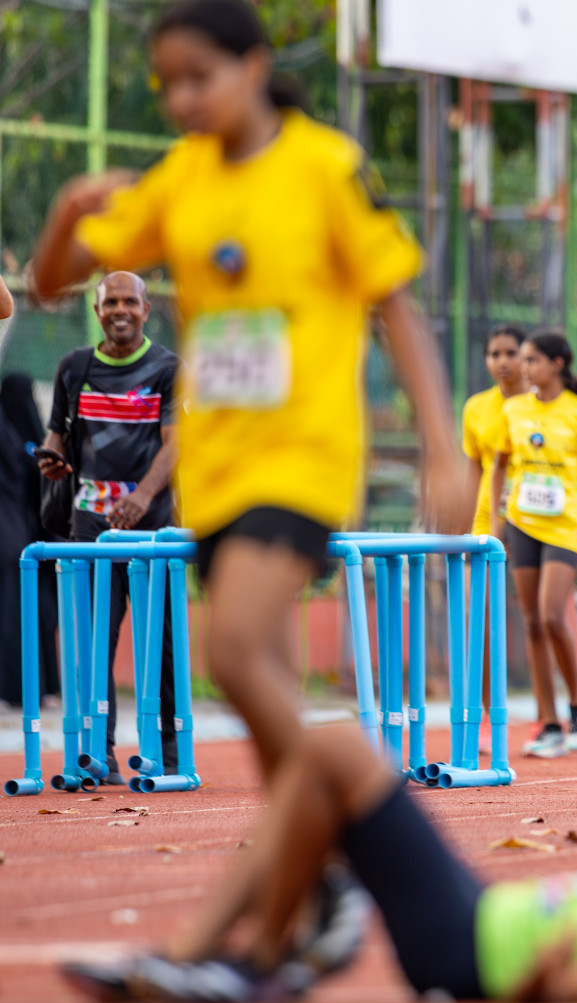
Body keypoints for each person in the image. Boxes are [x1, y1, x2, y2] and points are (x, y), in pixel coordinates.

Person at [29, 0, 476, 783]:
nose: (181, 101)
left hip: (305, 456)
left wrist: (443, 449)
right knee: (261, 685)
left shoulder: (324, 167)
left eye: (199, 78)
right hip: (218, 468)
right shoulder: (182, 180)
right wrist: (70, 206)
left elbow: (397, 311)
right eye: (167, 84)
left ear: (255, 68)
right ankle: (318, 871)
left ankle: (375, 817)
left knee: (230, 650)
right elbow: (48, 283)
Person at [61, 724, 577, 1003]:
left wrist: (552, 981)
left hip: (465, 947)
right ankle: (282, 938)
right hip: (481, 912)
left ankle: (244, 954)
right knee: (324, 765)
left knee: (336, 749)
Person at [34, 272, 180, 781]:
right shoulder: (74, 367)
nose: (120, 310)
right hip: (89, 529)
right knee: (94, 648)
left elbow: (175, 442)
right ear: (97, 311)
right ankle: (101, 755)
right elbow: (57, 433)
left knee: (159, 645)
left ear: (146, 309)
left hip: (153, 533)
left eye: (130, 302)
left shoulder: (166, 368)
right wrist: (51, 458)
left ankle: (170, 751)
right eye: (110, 302)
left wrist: (142, 496)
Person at [488, 332, 577, 758]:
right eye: (522, 360)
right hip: (522, 524)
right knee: (530, 621)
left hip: (565, 527)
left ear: (558, 363)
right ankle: (548, 723)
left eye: (533, 360)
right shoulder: (514, 409)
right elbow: (499, 466)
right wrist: (496, 520)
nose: (524, 368)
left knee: (549, 615)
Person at [0, 374, 62, 708]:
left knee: (31, 613)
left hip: (28, 540)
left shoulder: (21, 437)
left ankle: (35, 688)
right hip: (26, 540)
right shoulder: (20, 436)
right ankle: (32, 689)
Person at [462, 324, 527, 537]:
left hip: (533, 512)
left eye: (511, 354)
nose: (502, 361)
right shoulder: (475, 407)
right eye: (494, 354)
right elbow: (474, 470)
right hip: (489, 512)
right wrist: (463, 525)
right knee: (477, 570)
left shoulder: (542, 405)